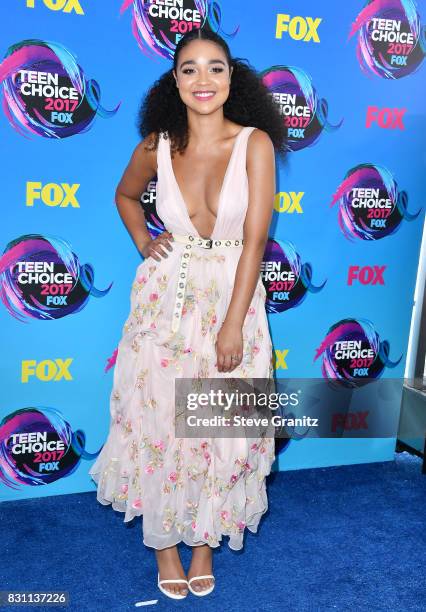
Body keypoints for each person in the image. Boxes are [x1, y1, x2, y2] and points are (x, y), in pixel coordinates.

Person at [89, 27, 287, 600]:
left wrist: (232, 321)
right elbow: (125, 196)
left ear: (233, 79)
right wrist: (143, 243)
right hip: (164, 303)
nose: (204, 79)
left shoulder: (254, 144)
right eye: (191, 69)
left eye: (216, 68)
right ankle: (166, 548)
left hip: (233, 299)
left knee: (219, 424)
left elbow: (254, 242)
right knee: (157, 422)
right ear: (174, 81)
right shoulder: (157, 146)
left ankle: (203, 542)